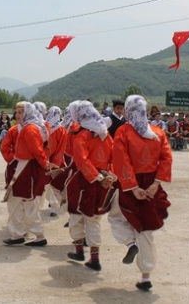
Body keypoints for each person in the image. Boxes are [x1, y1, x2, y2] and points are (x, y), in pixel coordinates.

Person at [107, 95, 172, 292]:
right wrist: (156, 183)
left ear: (127, 110)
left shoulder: (123, 131)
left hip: (131, 183)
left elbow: (121, 159)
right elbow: (166, 158)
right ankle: (146, 276)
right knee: (145, 229)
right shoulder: (157, 132)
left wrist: (133, 187)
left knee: (116, 216)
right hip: (151, 184)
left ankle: (129, 243)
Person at [65, 101, 115, 271]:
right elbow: (114, 157)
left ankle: (80, 251)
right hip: (102, 181)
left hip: (85, 181)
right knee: (94, 219)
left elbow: (80, 159)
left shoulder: (82, 134)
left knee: (76, 215)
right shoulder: (105, 133)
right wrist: (109, 176)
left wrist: (98, 177)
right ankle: (94, 258)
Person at [2, 101, 50, 247]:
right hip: (22, 166)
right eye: (16, 112)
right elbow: (5, 147)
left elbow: (38, 150)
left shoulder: (29, 129)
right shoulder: (32, 127)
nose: (17, 115)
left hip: (25, 167)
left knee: (24, 201)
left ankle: (30, 234)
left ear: (28, 112)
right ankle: (22, 233)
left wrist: (44, 163)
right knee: (22, 201)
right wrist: (12, 160)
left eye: (21, 112)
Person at [45, 106, 67, 217]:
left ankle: (52, 204)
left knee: (48, 182)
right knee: (56, 183)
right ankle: (53, 206)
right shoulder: (61, 129)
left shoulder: (44, 127)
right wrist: (56, 162)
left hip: (45, 159)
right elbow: (61, 148)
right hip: (56, 159)